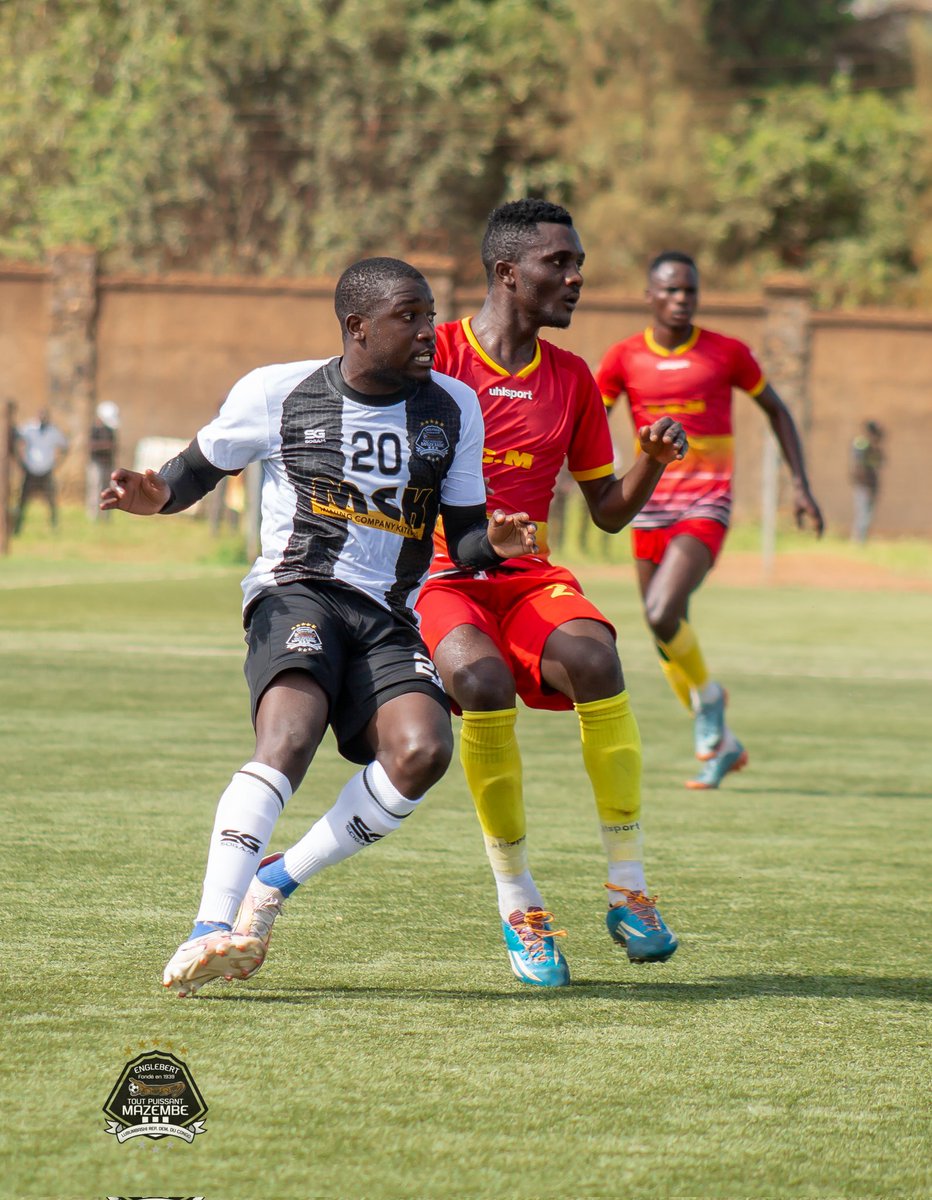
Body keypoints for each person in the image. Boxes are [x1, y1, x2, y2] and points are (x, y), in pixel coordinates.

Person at [252, 199, 686, 990]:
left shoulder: (574, 379)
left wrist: (651, 460)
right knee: (481, 682)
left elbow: (609, 513)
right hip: (436, 574)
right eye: (561, 263)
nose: (578, 277)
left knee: (596, 656)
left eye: (578, 262)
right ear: (507, 273)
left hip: (527, 576)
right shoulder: (431, 352)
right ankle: (520, 902)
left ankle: (629, 888)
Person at [101, 257, 538, 998]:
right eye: (410, 315)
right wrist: (155, 496)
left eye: (431, 313)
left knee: (424, 751)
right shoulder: (277, 392)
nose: (430, 330)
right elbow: (193, 471)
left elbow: (462, 539)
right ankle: (210, 927)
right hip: (296, 593)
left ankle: (277, 879)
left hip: (390, 616)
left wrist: (492, 544)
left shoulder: (454, 408)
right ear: (357, 326)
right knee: (290, 737)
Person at [596, 250, 824, 790]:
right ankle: (722, 746)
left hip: (706, 503)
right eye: (671, 290)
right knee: (666, 635)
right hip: (647, 507)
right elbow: (590, 420)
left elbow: (777, 409)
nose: (681, 299)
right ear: (650, 296)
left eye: (690, 291)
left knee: (659, 613)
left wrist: (801, 485)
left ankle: (712, 703)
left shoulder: (727, 353)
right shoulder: (624, 358)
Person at [13, 410, 68, 533]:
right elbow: (16, 440)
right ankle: (17, 527)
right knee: (22, 501)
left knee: (51, 502)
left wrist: (57, 463)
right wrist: (20, 462)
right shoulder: (28, 429)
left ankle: (54, 527)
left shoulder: (53, 431)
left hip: (46, 470)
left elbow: (65, 446)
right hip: (30, 470)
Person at [850, 420, 884, 543]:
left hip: (870, 484)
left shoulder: (875, 447)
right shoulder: (862, 444)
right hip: (863, 484)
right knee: (862, 513)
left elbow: (880, 462)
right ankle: (858, 541)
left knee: (867, 514)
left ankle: (861, 540)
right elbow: (860, 465)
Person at [86, 401, 119, 521]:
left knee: (108, 490)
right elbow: (90, 445)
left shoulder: (111, 430)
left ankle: (106, 516)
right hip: (96, 464)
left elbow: (114, 445)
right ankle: (93, 516)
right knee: (95, 489)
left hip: (108, 463)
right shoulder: (95, 429)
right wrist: (105, 446)